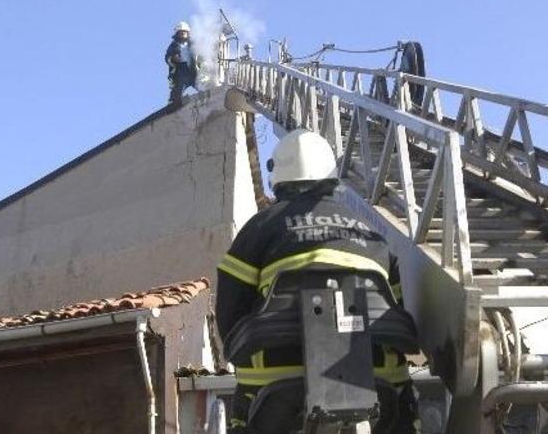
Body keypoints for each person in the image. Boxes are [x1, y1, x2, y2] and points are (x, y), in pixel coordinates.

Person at [216, 129, 420, 434]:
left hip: (275, 391)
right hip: (380, 384)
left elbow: (229, 315)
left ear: (280, 177)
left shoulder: (260, 228)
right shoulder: (372, 233)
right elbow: (399, 308)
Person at [165, 21, 200, 105]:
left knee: (200, 83)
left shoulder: (192, 44)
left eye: (184, 32)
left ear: (188, 33)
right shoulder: (173, 45)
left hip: (192, 68)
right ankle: (173, 103)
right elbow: (167, 57)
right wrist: (173, 59)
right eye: (180, 33)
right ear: (177, 34)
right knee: (178, 87)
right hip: (181, 69)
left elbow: (199, 54)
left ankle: (208, 94)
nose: (182, 34)